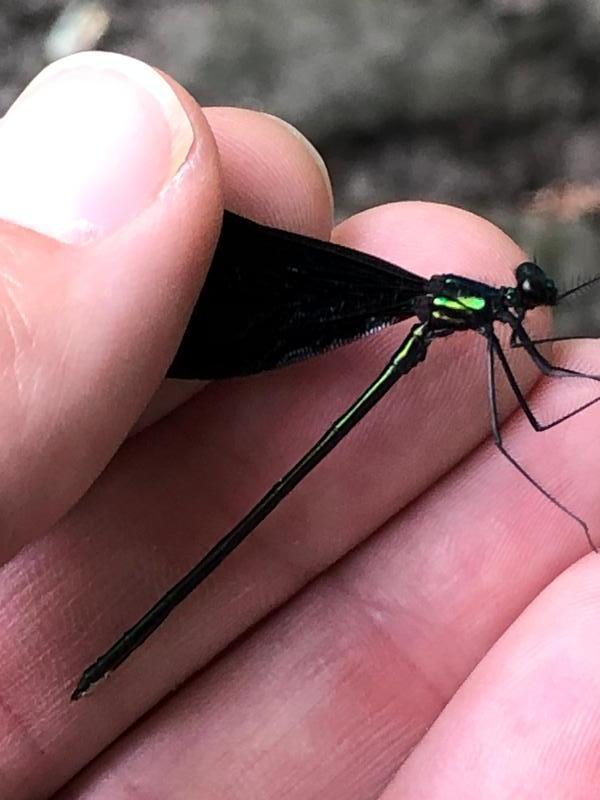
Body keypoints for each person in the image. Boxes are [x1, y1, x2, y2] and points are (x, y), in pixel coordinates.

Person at [1, 51, 599, 800]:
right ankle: (104, 660)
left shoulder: (476, 309)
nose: (523, 306)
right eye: (521, 301)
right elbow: (525, 434)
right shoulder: (478, 314)